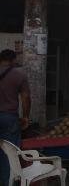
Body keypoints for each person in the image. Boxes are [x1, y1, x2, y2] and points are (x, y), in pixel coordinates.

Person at [0, 49, 31, 186]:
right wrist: (25, 117)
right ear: (13, 60)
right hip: (9, 118)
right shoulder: (19, 75)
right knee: (9, 154)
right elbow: (26, 98)